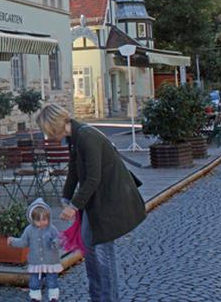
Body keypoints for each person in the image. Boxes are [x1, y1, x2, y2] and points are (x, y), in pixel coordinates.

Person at [34, 103, 145, 302]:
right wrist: (66, 197)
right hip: (97, 202)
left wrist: (74, 205)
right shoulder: (75, 138)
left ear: (54, 125)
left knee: (102, 257)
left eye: (47, 131)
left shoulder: (86, 137)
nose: (48, 136)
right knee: (91, 252)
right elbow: (74, 170)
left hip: (109, 203)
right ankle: (98, 297)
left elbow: (93, 177)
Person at [8, 197, 62, 302]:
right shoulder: (29, 230)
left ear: (48, 218)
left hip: (51, 261)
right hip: (35, 261)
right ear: (32, 219)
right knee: (34, 281)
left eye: (44, 220)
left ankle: (53, 297)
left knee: (52, 280)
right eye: (38, 220)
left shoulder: (52, 229)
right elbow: (24, 242)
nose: (42, 223)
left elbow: (59, 239)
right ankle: (35, 297)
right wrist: (13, 241)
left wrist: (55, 243)